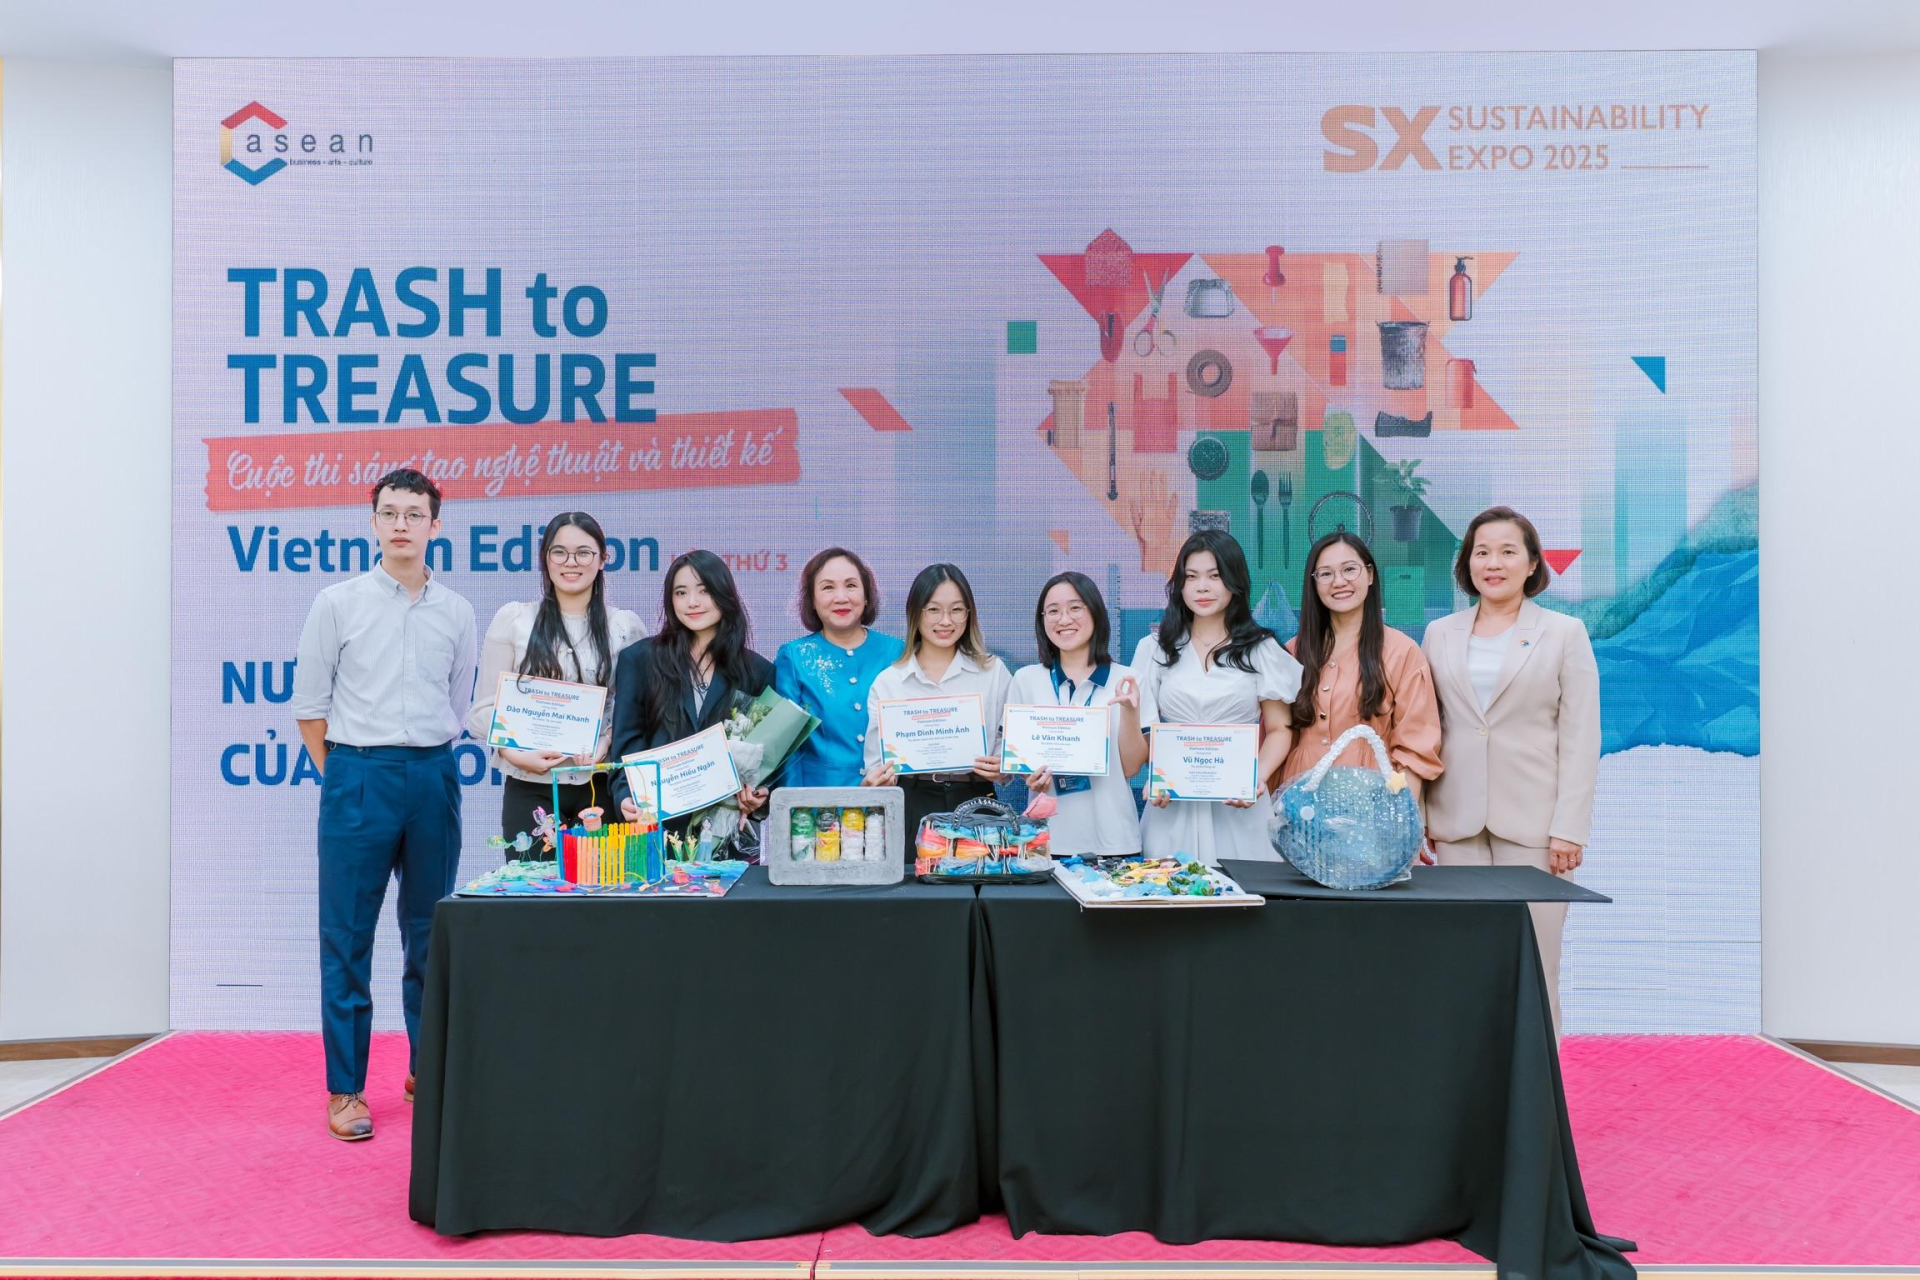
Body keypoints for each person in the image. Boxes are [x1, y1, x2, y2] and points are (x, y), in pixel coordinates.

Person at [291, 468, 476, 1143]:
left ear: (435, 525)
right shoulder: (336, 603)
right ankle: (346, 1090)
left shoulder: (456, 611)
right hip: (357, 776)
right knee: (347, 938)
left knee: (430, 935)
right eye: (390, 513)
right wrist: (348, 775)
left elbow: (457, 701)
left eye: (414, 514)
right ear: (372, 523)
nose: (402, 524)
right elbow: (310, 708)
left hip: (431, 776)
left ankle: (427, 1070)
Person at [1421, 506, 1600, 1036]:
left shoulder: (1564, 633)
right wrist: (1421, 814)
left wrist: (1569, 827)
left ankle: (1540, 1090)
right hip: (1456, 825)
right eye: (1481, 552)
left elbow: (1581, 738)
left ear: (1532, 563)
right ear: (1467, 563)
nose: (1492, 563)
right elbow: (1429, 728)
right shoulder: (1439, 633)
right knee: (1466, 969)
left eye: (1506, 552)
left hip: (1536, 827)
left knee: (1537, 968)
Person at [467, 512, 646, 841]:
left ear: (602, 560)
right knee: (532, 876)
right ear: (545, 558)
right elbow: (482, 710)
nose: (571, 562)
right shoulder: (514, 620)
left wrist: (606, 742)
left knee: (603, 875)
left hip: (601, 785)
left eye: (583, 553)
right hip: (530, 786)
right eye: (559, 552)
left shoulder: (624, 627)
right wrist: (513, 753)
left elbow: (638, 711)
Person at [1132, 530, 1301, 866]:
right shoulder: (1154, 649)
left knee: (1245, 891)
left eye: (1214, 576)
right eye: (1191, 577)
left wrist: (1256, 779)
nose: (1202, 587)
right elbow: (1146, 731)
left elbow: (1280, 729)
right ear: (1180, 585)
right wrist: (1157, 776)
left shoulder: (1262, 650)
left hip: (1239, 808)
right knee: (1172, 891)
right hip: (1171, 807)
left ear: (1234, 582)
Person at [610, 549, 776, 833]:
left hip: (727, 830)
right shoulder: (639, 659)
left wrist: (760, 793)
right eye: (681, 592)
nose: (692, 602)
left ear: (724, 594)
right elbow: (627, 742)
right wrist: (625, 794)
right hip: (655, 826)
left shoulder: (758, 671)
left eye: (704, 590)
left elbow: (766, 756)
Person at [862, 563, 1013, 857]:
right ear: (915, 614)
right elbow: (874, 765)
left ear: (969, 614)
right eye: (933, 610)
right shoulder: (889, 682)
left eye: (956, 610)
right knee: (914, 885)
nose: (946, 621)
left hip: (976, 801)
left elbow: (1009, 751)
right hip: (911, 803)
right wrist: (878, 779)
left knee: (980, 883)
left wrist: (1003, 767)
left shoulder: (993, 672)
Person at [1277, 532, 1443, 796]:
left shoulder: (1402, 652)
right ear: (1314, 583)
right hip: (1300, 799)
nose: (1339, 581)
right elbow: (1278, 735)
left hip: (1371, 799)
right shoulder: (1293, 652)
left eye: (1349, 569)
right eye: (1326, 574)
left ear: (1370, 575)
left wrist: (1399, 810)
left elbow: (1415, 749)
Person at [1009, 573, 1154, 857]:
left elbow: (1130, 768)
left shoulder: (1129, 680)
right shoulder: (1026, 680)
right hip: (1044, 841)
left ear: (1095, 612)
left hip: (1113, 840)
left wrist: (1129, 712)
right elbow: (1020, 759)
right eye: (1053, 611)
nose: (1064, 619)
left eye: (1075, 608)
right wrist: (1030, 775)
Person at [772, 548, 904, 787]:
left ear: (866, 595)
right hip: (821, 802)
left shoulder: (896, 651)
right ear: (812, 600)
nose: (841, 597)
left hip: (889, 796)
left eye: (851, 585)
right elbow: (787, 748)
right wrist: (792, 804)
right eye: (828, 587)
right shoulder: (795, 656)